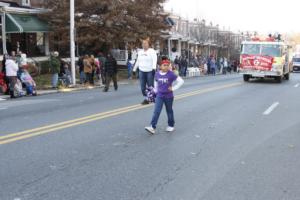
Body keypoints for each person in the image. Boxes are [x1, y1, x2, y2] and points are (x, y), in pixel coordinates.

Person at [145, 59, 184, 134]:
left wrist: (173, 88)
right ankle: (152, 127)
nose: (166, 67)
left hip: (169, 96)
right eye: (164, 65)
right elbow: (156, 82)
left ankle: (171, 125)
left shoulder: (171, 74)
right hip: (159, 95)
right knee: (156, 111)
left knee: (169, 111)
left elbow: (181, 81)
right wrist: (155, 90)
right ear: (160, 66)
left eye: (167, 65)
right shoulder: (157, 74)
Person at [133, 37, 158, 105]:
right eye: (143, 44)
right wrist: (134, 69)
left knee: (150, 86)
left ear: (148, 44)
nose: (144, 45)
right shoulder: (140, 52)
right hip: (141, 71)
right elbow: (138, 61)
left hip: (150, 71)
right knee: (142, 87)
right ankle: (149, 97)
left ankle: (149, 99)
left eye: (145, 43)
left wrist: (153, 68)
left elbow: (154, 60)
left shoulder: (152, 51)